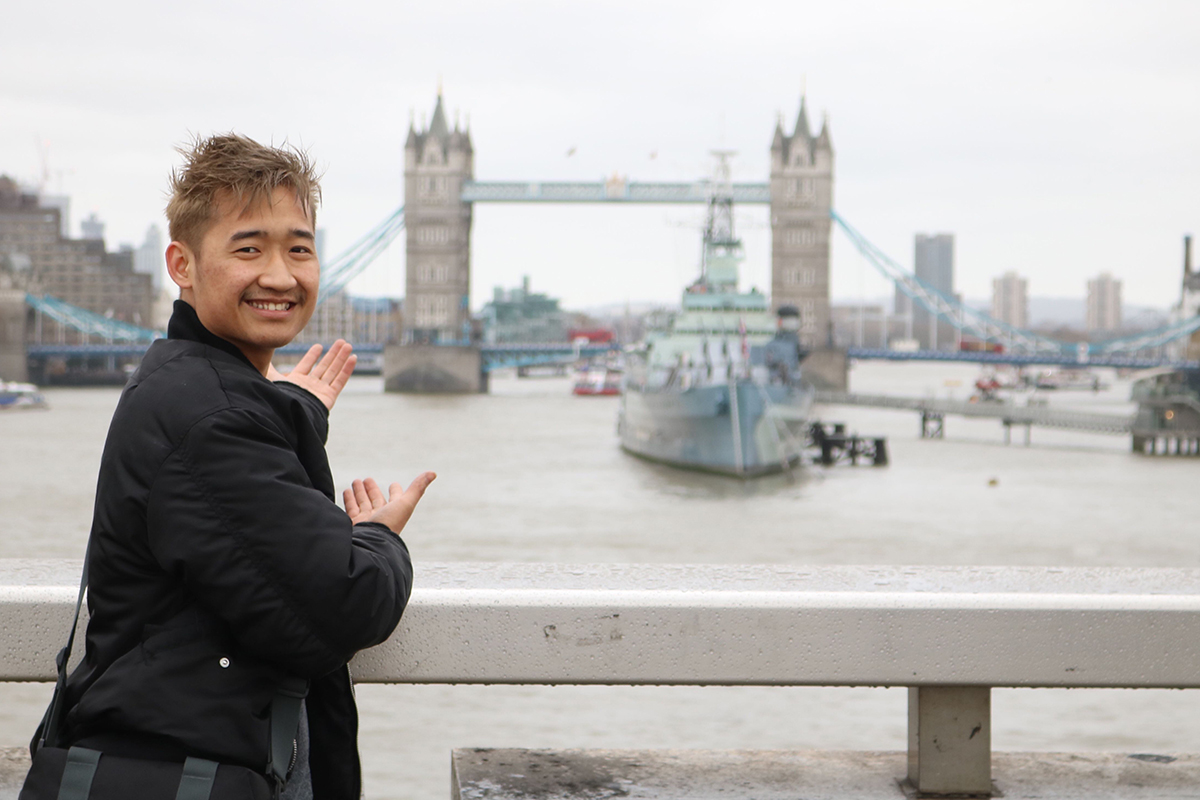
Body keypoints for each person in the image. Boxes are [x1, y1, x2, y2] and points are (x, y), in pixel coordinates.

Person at [28, 134, 433, 800]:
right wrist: (380, 539)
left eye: (299, 248)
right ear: (181, 264)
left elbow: (228, 514)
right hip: (198, 773)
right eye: (248, 249)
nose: (280, 275)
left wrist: (294, 414)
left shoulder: (185, 381)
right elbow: (342, 606)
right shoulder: (209, 414)